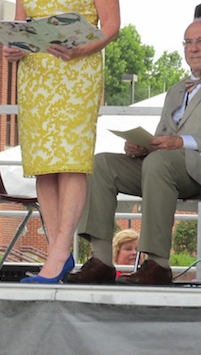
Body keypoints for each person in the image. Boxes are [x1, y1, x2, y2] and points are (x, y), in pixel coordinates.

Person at [2, 0, 120, 284]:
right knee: (43, 165)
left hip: (76, 74)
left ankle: (58, 253)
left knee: (70, 160)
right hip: (36, 74)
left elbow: (112, 25)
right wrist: (13, 47)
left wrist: (82, 50)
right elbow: (20, 24)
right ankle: (59, 252)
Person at [68, 19, 201, 286]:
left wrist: (181, 141)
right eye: (188, 42)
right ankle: (102, 261)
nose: (193, 48)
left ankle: (158, 265)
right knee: (102, 163)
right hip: (165, 166)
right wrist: (143, 146)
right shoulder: (176, 90)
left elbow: (174, 143)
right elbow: (162, 136)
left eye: (200, 42)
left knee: (159, 163)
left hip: (193, 166)